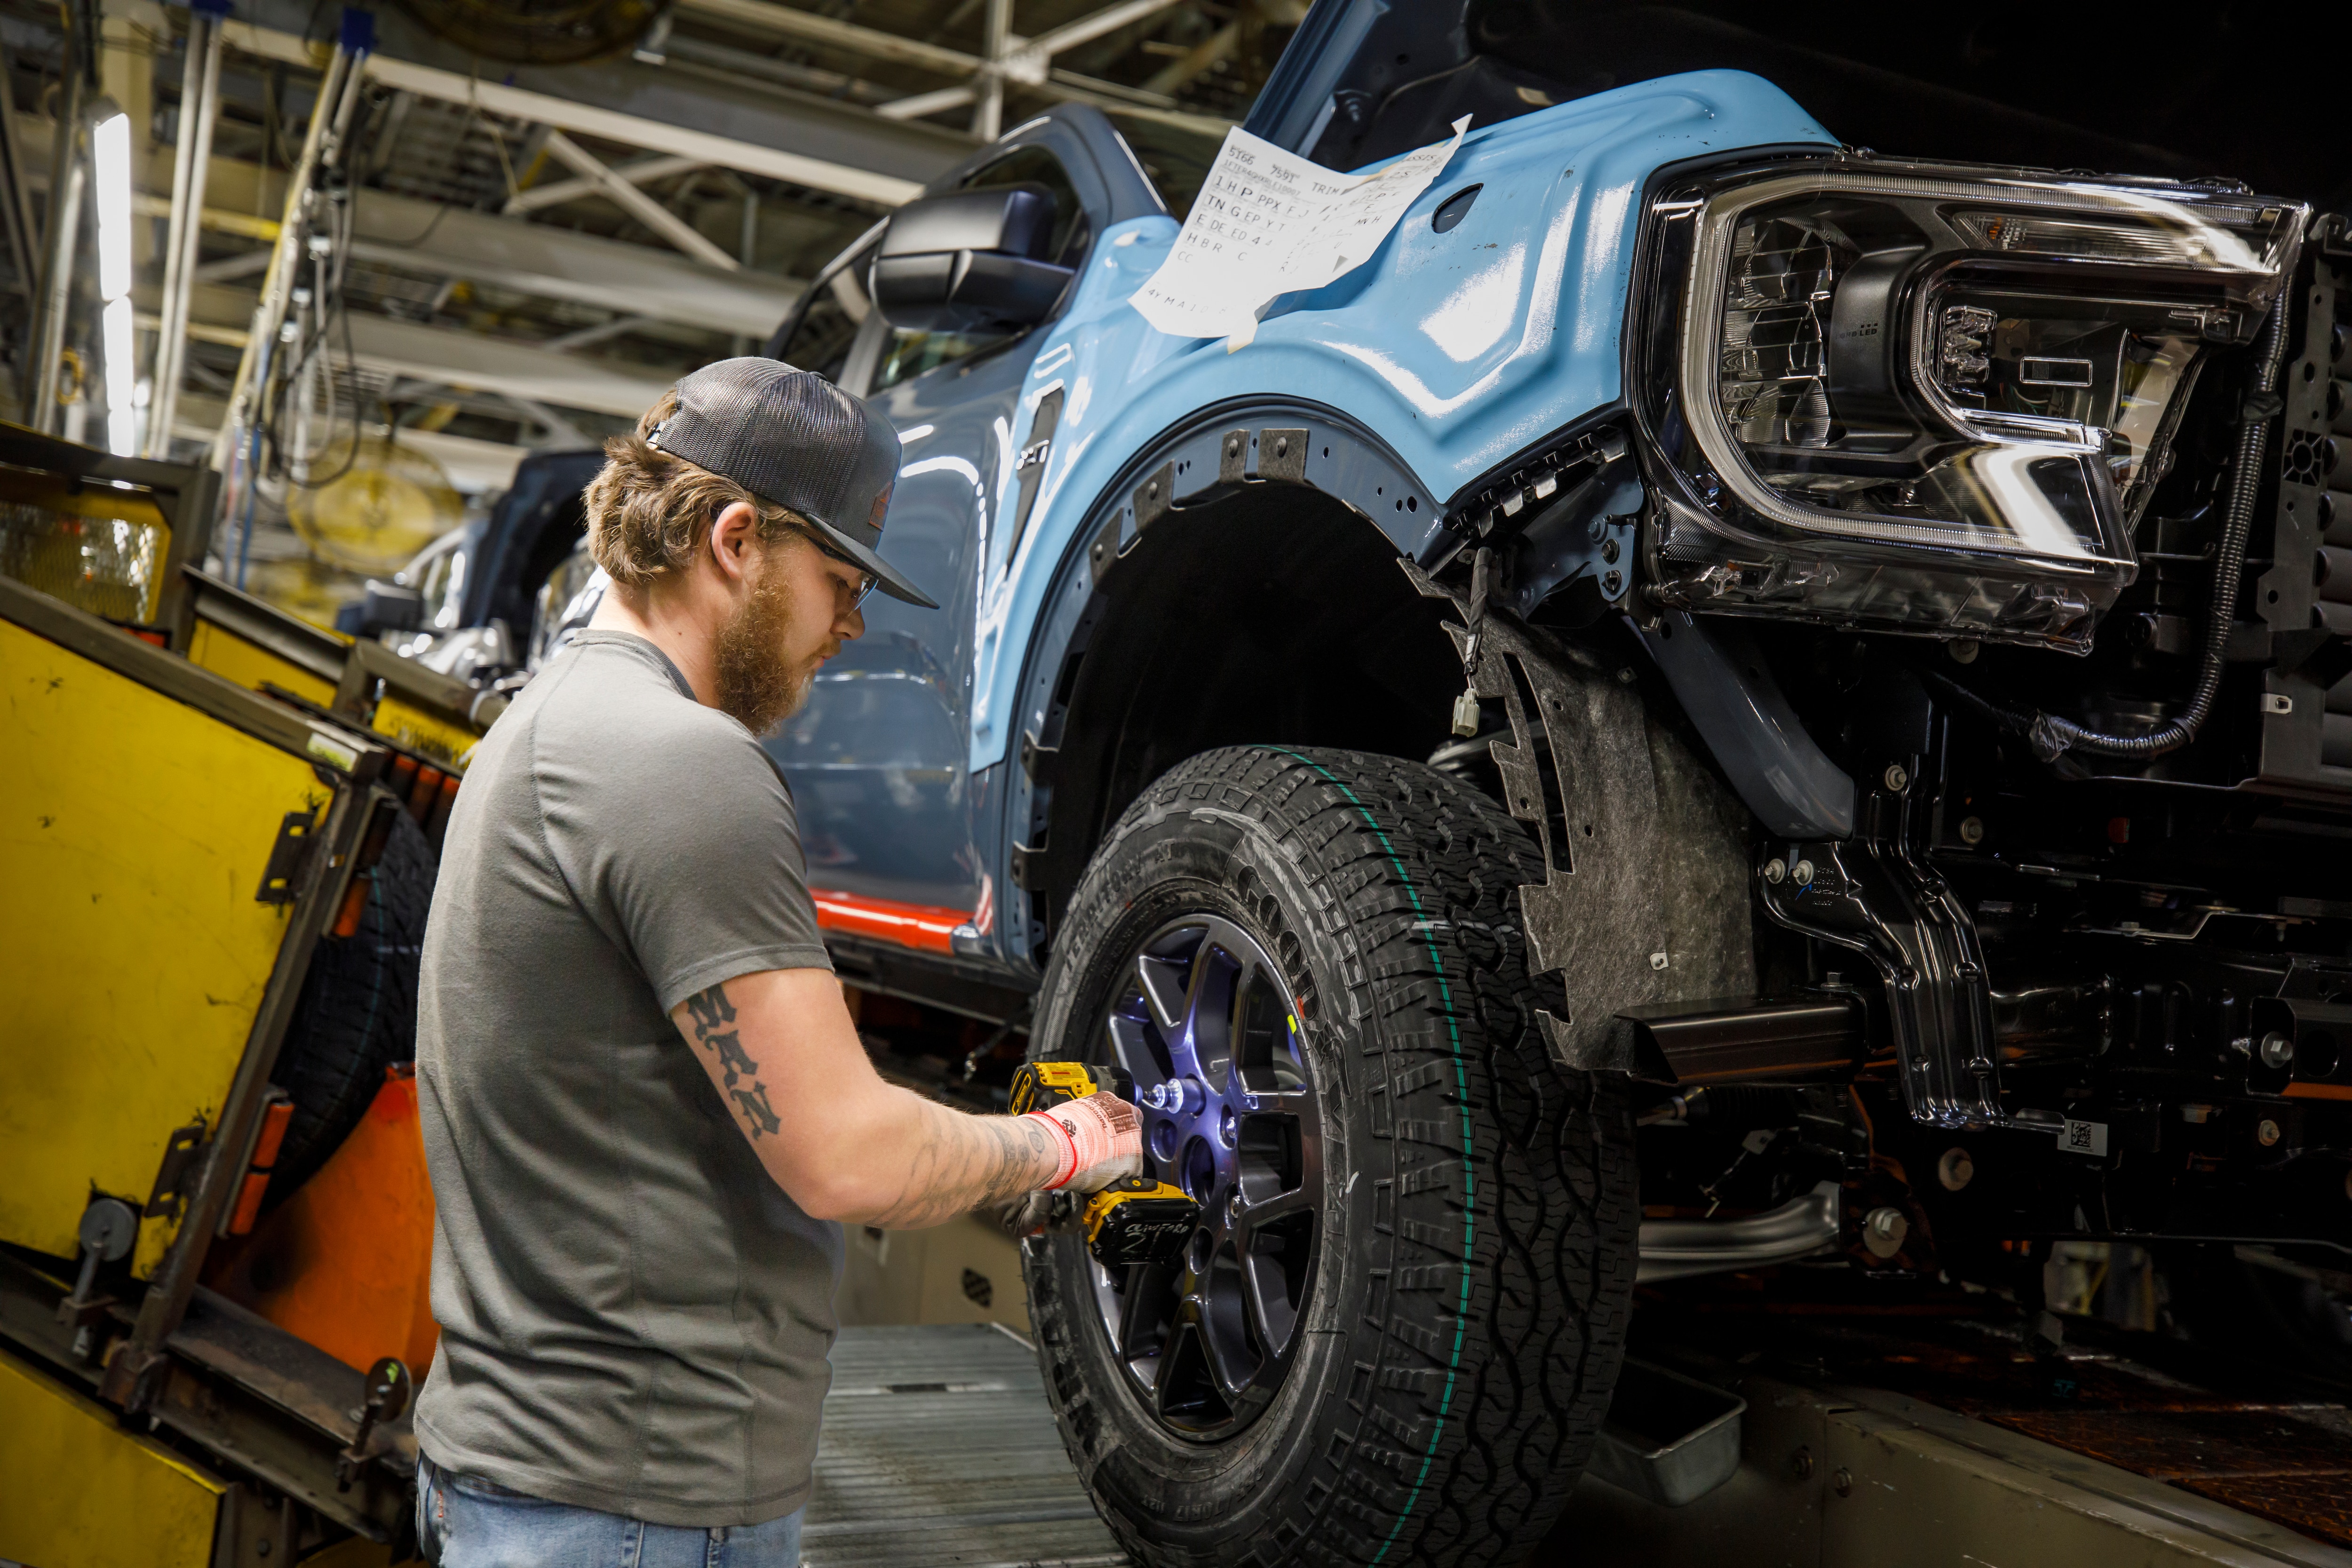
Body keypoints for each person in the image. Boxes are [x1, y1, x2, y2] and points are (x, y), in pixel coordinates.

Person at [409, 358, 1140, 1566]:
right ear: (737, 539)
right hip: (632, 1505)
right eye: (840, 581)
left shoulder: (540, 730)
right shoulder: (677, 762)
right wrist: (1066, 1147)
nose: (849, 629)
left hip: (544, 1477)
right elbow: (845, 1155)